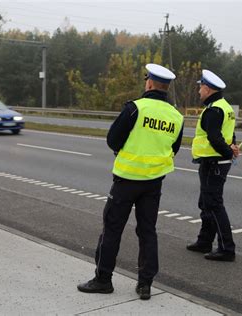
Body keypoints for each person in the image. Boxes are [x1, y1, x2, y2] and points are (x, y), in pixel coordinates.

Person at [77, 63, 184, 300]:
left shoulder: (135, 109)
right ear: (165, 88)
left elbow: (113, 140)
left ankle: (103, 279)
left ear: (148, 83)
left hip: (126, 181)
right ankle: (145, 284)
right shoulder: (176, 116)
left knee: (112, 229)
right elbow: (173, 148)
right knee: (148, 232)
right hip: (154, 182)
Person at [186, 69, 240, 262]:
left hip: (214, 162)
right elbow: (228, 134)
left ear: (207, 89)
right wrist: (231, 147)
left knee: (214, 204)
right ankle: (204, 242)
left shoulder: (213, 110)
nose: (199, 91)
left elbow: (214, 137)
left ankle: (226, 248)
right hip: (214, 162)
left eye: (200, 87)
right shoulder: (225, 107)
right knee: (206, 203)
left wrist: (227, 152)